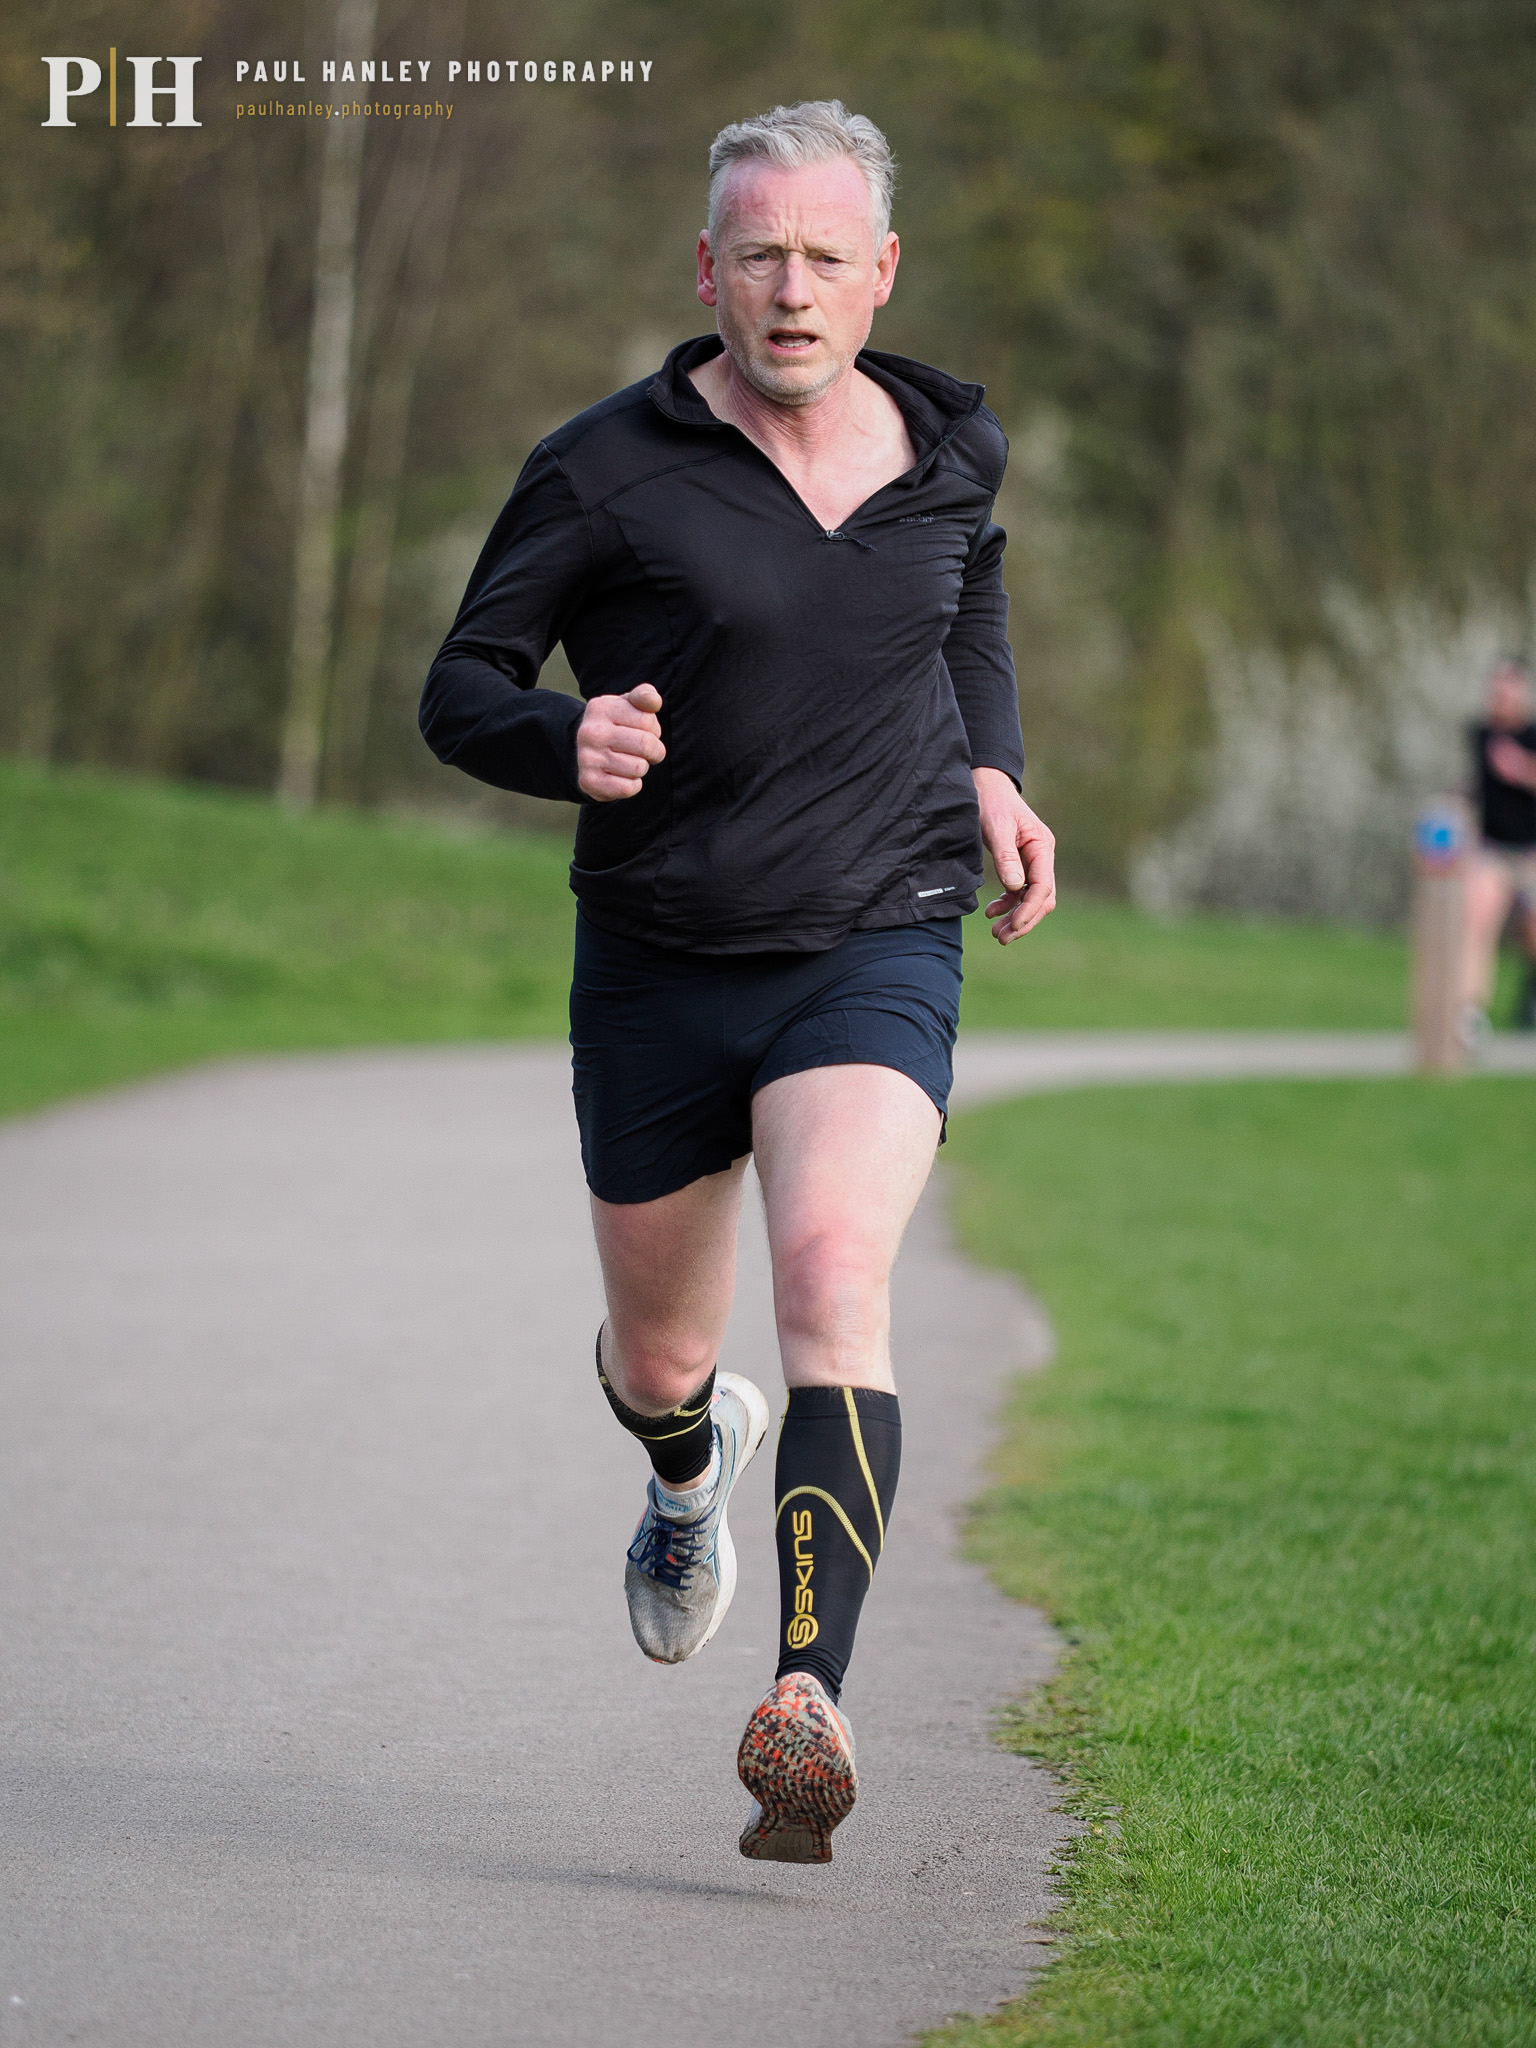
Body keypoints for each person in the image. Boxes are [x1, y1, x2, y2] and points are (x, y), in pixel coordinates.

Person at [419, 100, 1055, 1864]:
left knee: (836, 1269)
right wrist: (569, 734)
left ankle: (808, 1697)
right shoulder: (602, 466)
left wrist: (991, 763)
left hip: (876, 928)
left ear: (882, 275)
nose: (791, 289)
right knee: (662, 1350)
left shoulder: (950, 448)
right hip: (657, 961)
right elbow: (458, 683)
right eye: (757, 254)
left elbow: (970, 602)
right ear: (707, 270)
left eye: (824, 258)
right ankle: (687, 1473)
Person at [1460, 657, 1536, 1045]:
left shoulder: (1532, 735)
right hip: (1492, 851)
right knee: (1476, 922)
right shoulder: (1480, 734)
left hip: (1531, 853)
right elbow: (1475, 790)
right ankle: (1470, 1013)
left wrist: (1522, 770)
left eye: (1509, 689)